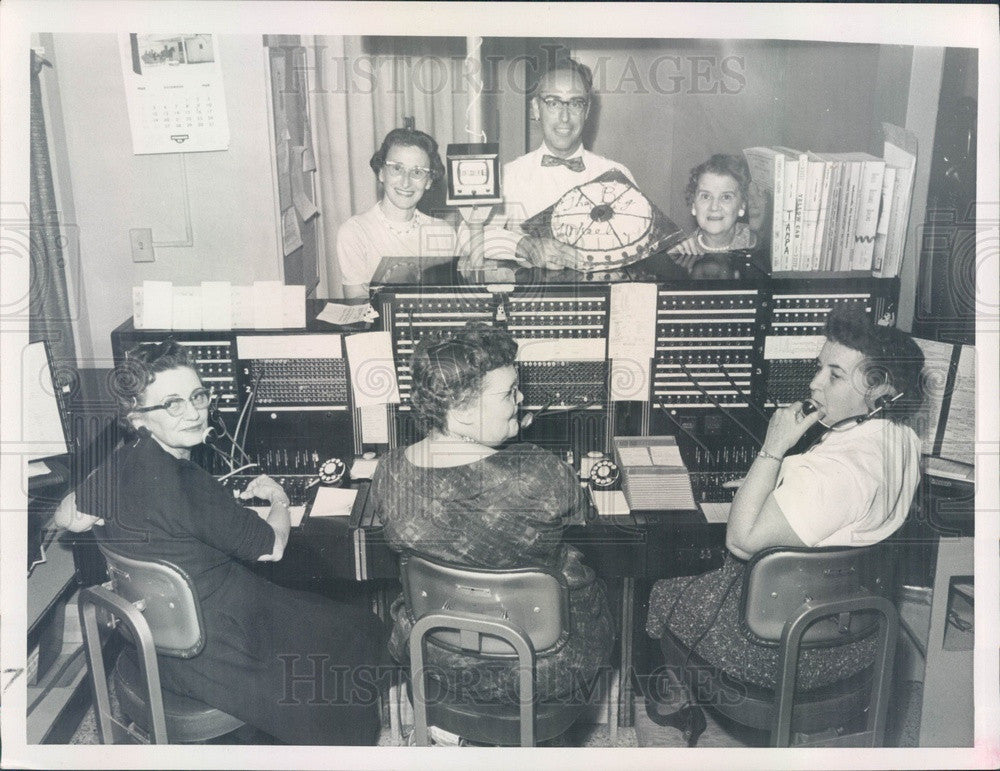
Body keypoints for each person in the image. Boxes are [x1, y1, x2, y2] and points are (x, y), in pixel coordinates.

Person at [58, 341, 388, 745]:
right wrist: (278, 498)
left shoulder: (118, 462)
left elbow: (67, 517)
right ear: (138, 418)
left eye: (197, 396)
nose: (195, 412)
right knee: (359, 628)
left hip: (154, 647)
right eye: (173, 404)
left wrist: (85, 507)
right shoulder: (188, 483)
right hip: (223, 654)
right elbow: (272, 547)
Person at [645, 305, 924, 737]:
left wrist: (773, 450)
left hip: (783, 655)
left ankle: (676, 702)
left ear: (880, 388)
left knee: (661, 592)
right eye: (819, 369)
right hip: (859, 637)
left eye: (834, 375)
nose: (815, 383)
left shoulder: (834, 475)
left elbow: (741, 540)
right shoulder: (902, 441)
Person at [370, 323, 615, 715]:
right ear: (463, 412)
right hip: (543, 662)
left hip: (435, 655)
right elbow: (581, 518)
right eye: (508, 393)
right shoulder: (539, 471)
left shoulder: (390, 471)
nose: (521, 399)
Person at [461, 58, 636, 270]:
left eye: (575, 103)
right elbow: (467, 234)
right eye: (553, 103)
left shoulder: (615, 174)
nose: (564, 117)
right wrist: (524, 245)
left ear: (587, 111)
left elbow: (642, 240)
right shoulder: (510, 175)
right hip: (532, 301)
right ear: (536, 108)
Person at [337, 127, 457, 299]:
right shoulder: (355, 232)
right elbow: (357, 306)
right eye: (397, 169)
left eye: (417, 172)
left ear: (429, 181)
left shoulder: (443, 232)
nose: (406, 182)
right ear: (381, 173)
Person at [668, 154, 758, 277]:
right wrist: (669, 263)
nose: (714, 207)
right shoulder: (682, 252)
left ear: (742, 206)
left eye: (726, 197)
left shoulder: (757, 243)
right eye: (706, 196)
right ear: (694, 205)